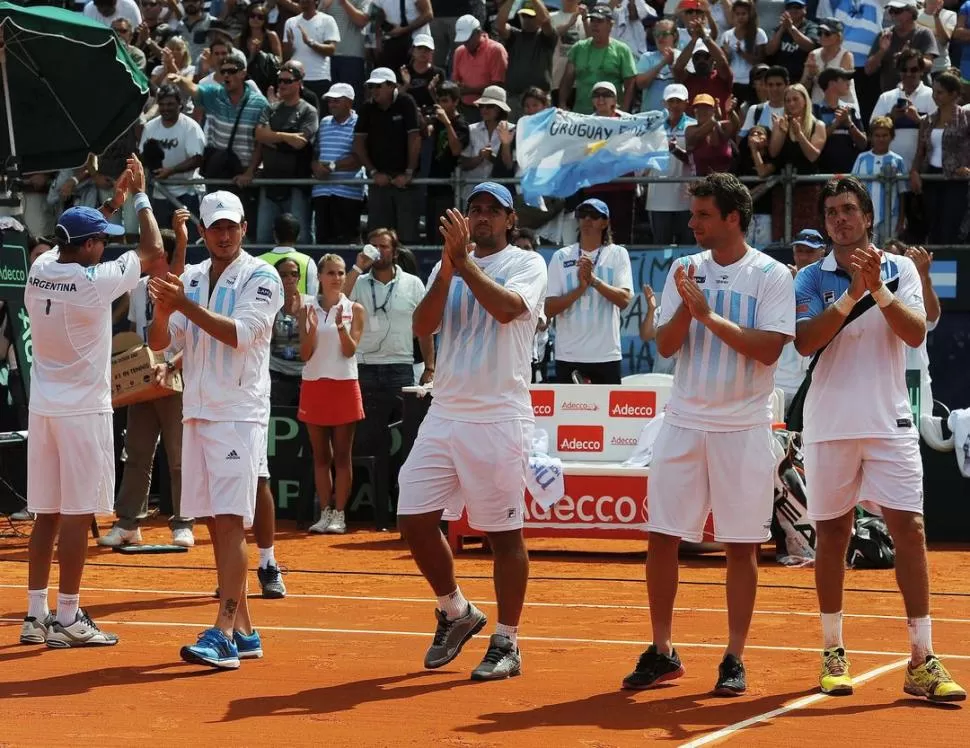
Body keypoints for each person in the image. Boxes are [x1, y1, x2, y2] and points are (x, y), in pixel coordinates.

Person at [793, 176, 965, 702]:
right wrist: (850, 294)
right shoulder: (806, 279)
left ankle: (922, 659)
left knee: (910, 532)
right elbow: (804, 343)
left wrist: (880, 289)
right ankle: (832, 651)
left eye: (849, 210)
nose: (840, 219)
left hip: (890, 422)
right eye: (831, 213)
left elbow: (914, 332)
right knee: (832, 537)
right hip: (829, 424)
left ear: (868, 218)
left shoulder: (901, 270)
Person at [622, 173, 795, 696]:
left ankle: (733, 657)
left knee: (741, 546)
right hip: (683, 422)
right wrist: (682, 310)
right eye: (692, 214)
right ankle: (662, 651)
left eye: (701, 215)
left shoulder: (770, 275)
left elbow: (768, 350)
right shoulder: (684, 267)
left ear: (732, 219)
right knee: (662, 537)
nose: (692, 223)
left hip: (743, 426)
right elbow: (669, 347)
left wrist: (707, 314)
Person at [397, 182, 547, 681]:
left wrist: (464, 264)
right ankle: (456, 611)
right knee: (413, 518)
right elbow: (422, 324)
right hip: (446, 410)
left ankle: (508, 641)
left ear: (509, 220)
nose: (482, 217)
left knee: (504, 535)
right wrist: (449, 267)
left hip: (500, 415)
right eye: (474, 209)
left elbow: (506, 309)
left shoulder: (529, 264)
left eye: (492, 211)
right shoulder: (449, 264)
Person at [21, 156, 164, 648]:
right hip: (83, 414)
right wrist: (140, 195)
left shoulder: (40, 266)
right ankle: (67, 617)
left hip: (43, 413)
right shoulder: (94, 282)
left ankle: (35, 614)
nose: (106, 244)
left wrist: (112, 202)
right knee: (79, 516)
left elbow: (74, 238)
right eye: (100, 239)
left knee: (47, 514)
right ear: (86, 248)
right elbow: (153, 248)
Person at [148, 190, 283, 669]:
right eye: (215, 227)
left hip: (238, 413)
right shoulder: (192, 277)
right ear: (203, 233)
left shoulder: (262, 275)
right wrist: (164, 310)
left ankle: (223, 632)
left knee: (228, 524)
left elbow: (241, 334)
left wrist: (181, 303)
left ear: (244, 228)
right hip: (198, 412)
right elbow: (161, 343)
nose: (224, 234)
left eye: (232, 226)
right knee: (214, 522)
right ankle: (246, 630)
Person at [101, 210, 193, 549]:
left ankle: (183, 521)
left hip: (176, 378)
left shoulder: (181, 284)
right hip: (144, 381)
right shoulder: (138, 288)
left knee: (179, 455)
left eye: (153, 251)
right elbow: (134, 333)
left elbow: (180, 266)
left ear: (164, 257)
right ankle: (128, 523)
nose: (146, 254)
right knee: (136, 452)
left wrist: (181, 236)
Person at [299, 254, 366, 535]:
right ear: (320, 277)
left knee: (342, 455)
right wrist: (312, 330)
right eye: (331, 273)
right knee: (320, 456)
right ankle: (325, 513)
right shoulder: (307, 308)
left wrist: (340, 326)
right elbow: (304, 355)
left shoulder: (355, 309)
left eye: (340, 273)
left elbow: (350, 350)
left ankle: (339, 515)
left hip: (344, 384)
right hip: (314, 384)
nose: (337, 278)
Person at [544, 198, 633, 384]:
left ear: (605, 222)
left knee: (606, 414)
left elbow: (624, 299)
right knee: (568, 413)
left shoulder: (617, 254)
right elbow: (548, 308)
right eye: (582, 215)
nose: (586, 220)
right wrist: (580, 289)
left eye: (593, 215)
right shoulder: (561, 257)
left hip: (605, 355)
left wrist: (594, 281)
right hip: (568, 355)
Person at [774, 228, 825, 415]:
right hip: (777, 382)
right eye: (799, 251)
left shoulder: (829, 280)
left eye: (809, 251)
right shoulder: (779, 279)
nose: (803, 256)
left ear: (822, 252)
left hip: (811, 384)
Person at [852, 116, 906, 245]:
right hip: (867, 216)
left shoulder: (897, 160)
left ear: (891, 137)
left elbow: (902, 192)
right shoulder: (862, 158)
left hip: (891, 216)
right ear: (871, 137)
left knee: (890, 251)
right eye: (877, 135)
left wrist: (901, 219)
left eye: (885, 135)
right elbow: (853, 187)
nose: (881, 139)